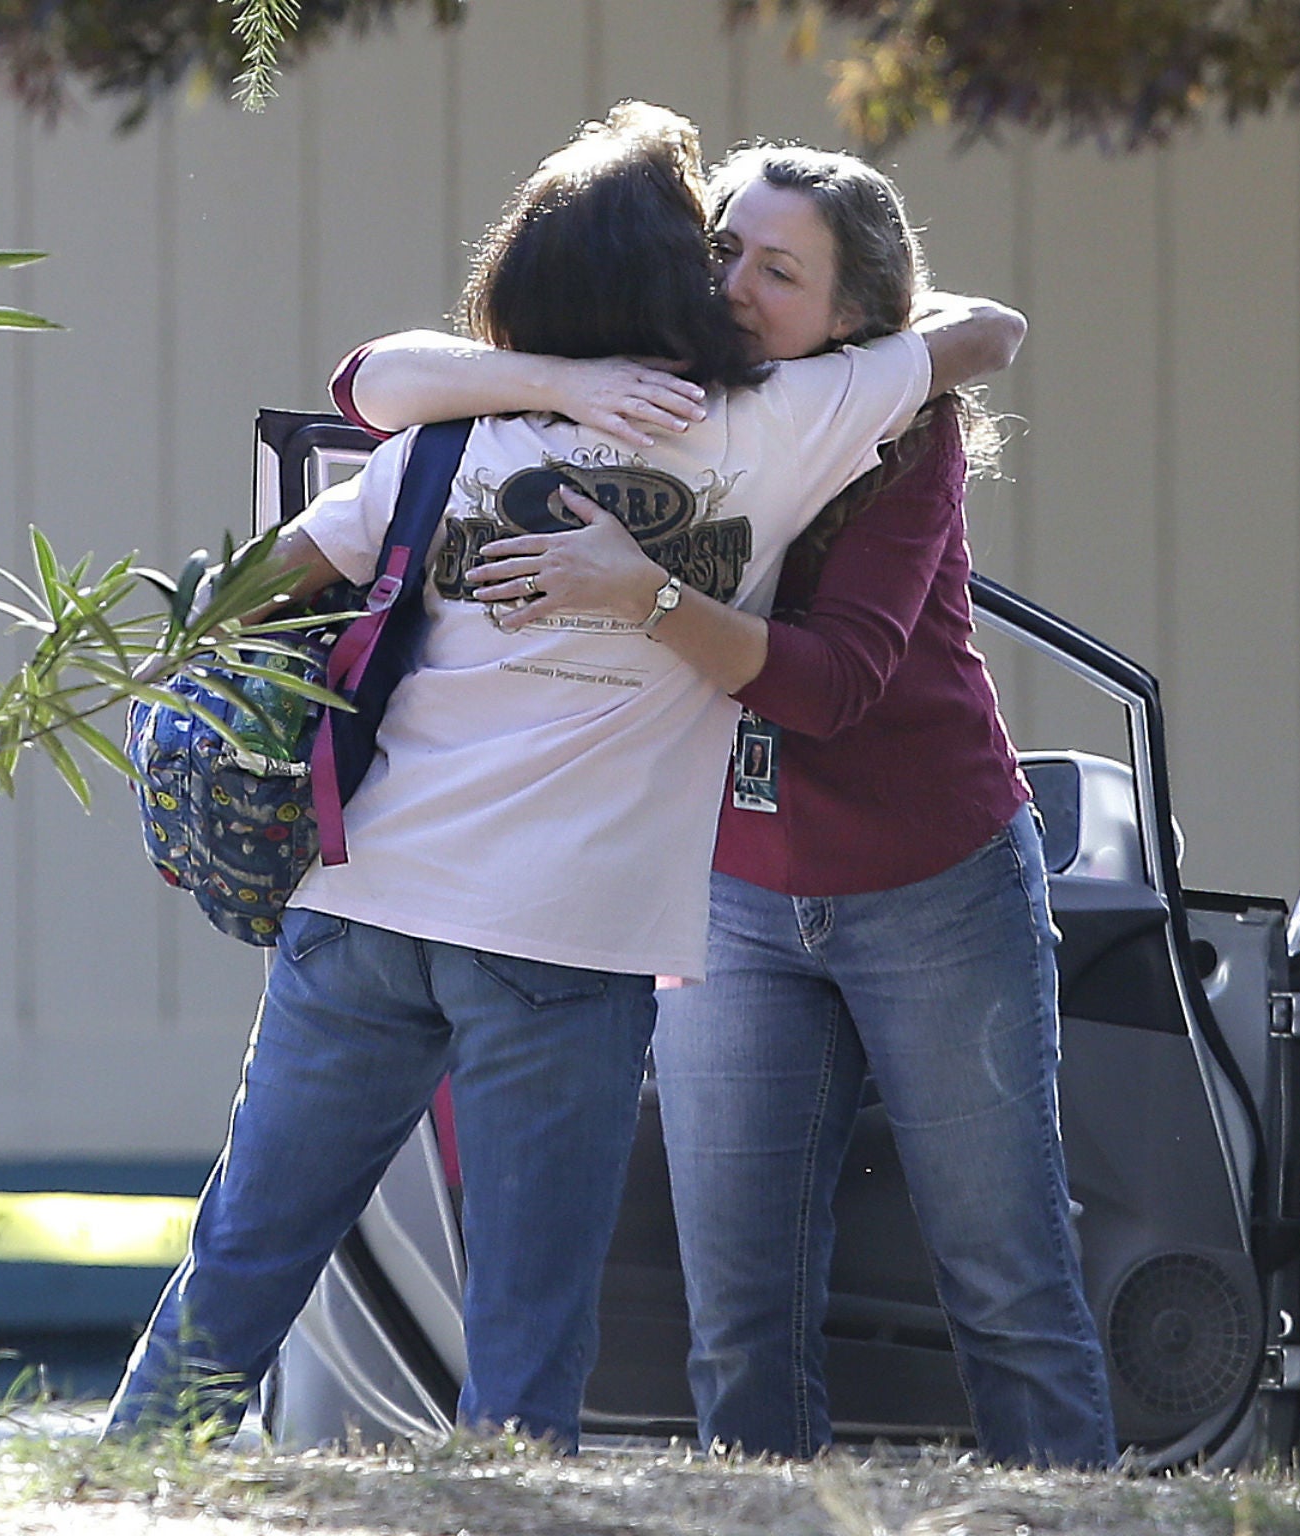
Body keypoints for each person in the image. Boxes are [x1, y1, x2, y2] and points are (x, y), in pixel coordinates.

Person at [105, 104, 982, 1450]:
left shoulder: (444, 448)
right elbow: (980, 342)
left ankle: (125, 1482)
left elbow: (245, 585)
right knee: (525, 1336)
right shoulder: (774, 429)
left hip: (365, 904)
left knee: (242, 1263)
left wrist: (537, 389)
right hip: (560, 945)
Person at [340, 142, 1115, 1467]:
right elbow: (369, 386)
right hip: (731, 896)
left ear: (853, 320)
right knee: (741, 1315)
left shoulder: (894, 431)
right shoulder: (649, 390)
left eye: (780, 270)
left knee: (1007, 1280)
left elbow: (832, 688)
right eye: (724, 252)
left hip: (933, 885)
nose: (738, 288)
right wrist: (560, 378)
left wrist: (636, 589)